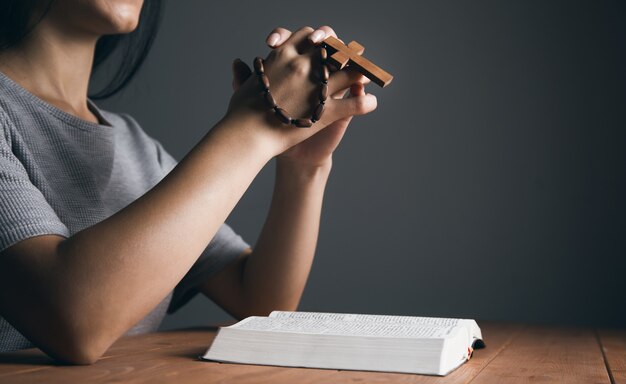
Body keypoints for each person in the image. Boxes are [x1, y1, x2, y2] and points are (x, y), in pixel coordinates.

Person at [0, 0, 377, 364]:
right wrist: (256, 128)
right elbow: (73, 322)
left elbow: (259, 300)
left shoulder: (137, 147)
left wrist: (303, 165)